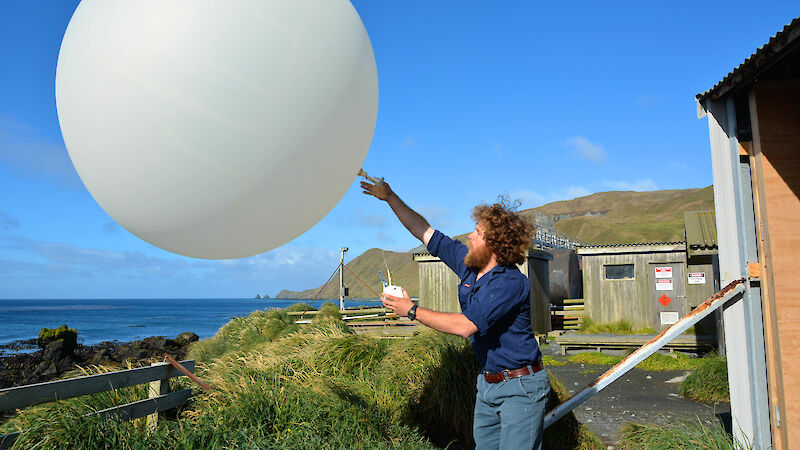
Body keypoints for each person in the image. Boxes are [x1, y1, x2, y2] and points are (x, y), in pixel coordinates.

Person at [361, 177, 549, 450]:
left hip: (520, 388)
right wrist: (390, 197)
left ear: (493, 243)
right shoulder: (469, 266)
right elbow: (424, 231)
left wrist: (411, 310)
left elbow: (466, 326)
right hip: (488, 383)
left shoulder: (510, 283)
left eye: (477, 232)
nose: (469, 236)